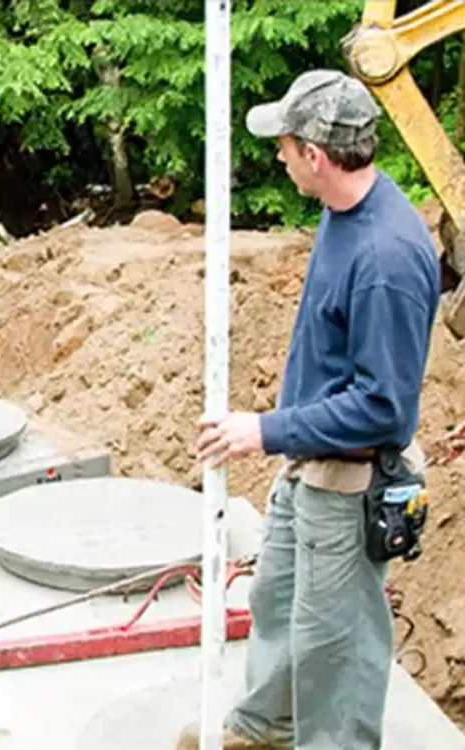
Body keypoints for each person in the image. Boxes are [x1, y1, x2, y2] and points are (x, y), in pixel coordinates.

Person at [176, 69, 441, 749]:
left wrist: (263, 431)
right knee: (278, 601)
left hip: (348, 482)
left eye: (286, 145)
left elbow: (382, 408)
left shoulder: (386, 257)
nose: (279, 156)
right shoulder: (341, 214)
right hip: (309, 465)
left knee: (336, 642)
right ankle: (268, 722)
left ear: (316, 156)